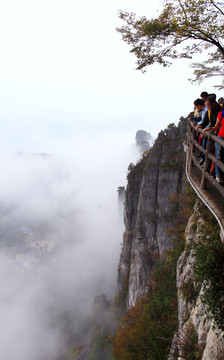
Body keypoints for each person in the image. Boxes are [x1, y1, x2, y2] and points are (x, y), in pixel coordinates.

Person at [203, 109, 224, 183]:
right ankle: (218, 176)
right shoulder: (221, 114)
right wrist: (209, 128)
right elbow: (216, 127)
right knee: (218, 157)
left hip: (221, 137)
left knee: (219, 157)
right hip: (221, 137)